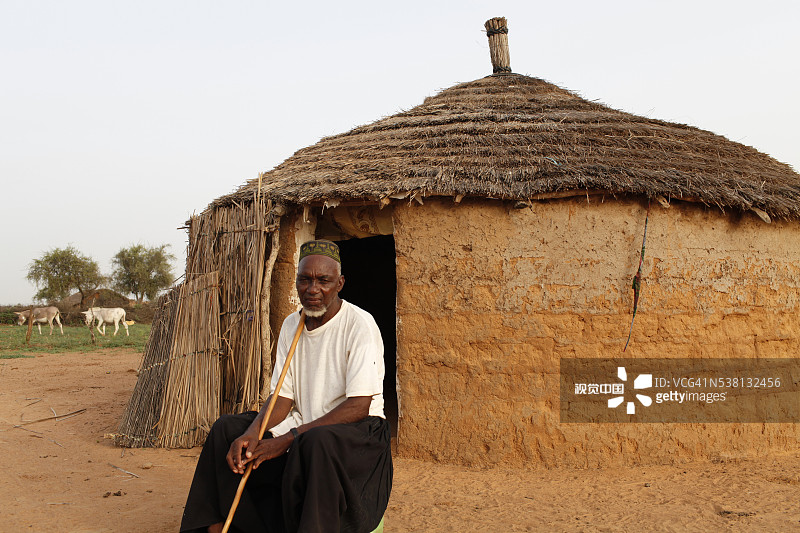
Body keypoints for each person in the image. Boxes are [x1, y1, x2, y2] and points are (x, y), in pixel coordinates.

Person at [180, 239, 393, 533]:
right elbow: (282, 396)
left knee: (315, 441)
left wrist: (286, 440)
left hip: (357, 432)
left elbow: (359, 406)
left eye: (323, 281)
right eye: (305, 280)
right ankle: (217, 525)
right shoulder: (292, 325)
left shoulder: (359, 325)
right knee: (227, 430)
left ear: (340, 283)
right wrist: (253, 432)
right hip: (305, 425)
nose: (313, 289)